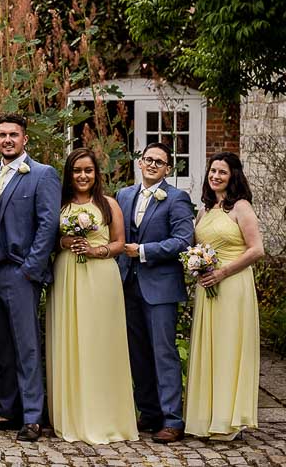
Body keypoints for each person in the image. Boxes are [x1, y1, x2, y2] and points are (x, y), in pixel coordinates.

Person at [47, 148, 137, 444]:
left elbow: (120, 243)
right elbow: (52, 240)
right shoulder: (60, 204)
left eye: (88, 170)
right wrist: (65, 239)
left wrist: (97, 250)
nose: (82, 176)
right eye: (76, 171)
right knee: (71, 341)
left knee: (100, 343)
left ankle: (106, 415)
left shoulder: (109, 204)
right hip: (67, 275)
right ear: (69, 175)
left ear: (96, 173)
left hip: (101, 277)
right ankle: (72, 414)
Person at [0, 113, 59, 442]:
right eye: (2, 135)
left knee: (27, 346)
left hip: (20, 271)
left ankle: (32, 416)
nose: (7, 139)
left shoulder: (42, 175)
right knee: (2, 345)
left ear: (25, 139)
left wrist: (31, 269)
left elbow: (48, 225)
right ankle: (8, 408)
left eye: (13, 134)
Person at [116, 142, 194, 443]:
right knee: (137, 354)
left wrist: (144, 251)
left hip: (160, 288)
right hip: (128, 286)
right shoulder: (124, 195)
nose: (152, 165)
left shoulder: (177, 198)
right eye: (148, 159)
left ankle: (173, 419)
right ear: (140, 162)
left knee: (164, 353)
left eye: (159, 162)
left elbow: (183, 241)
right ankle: (148, 414)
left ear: (168, 169)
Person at [184, 152, 264, 440]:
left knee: (230, 347)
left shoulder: (241, 207)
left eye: (222, 172)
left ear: (234, 176)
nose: (216, 176)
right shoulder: (205, 211)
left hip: (232, 285)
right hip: (208, 287)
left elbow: (256, 249)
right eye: (213, 171)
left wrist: (223, 272)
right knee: (211, 348)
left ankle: (231, 421)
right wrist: (198, 265)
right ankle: (208, 417)